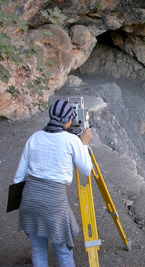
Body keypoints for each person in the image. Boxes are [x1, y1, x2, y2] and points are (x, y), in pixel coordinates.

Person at [13, 99, 93, 267]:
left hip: (29, 200)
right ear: (68, 120)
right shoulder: (72, 141)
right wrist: (83, 144)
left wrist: (17, 205)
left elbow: (18, 178)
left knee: (38, 249)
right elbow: (86, 170)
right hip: (53, 202)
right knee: (62, 250)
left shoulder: (34, 137)